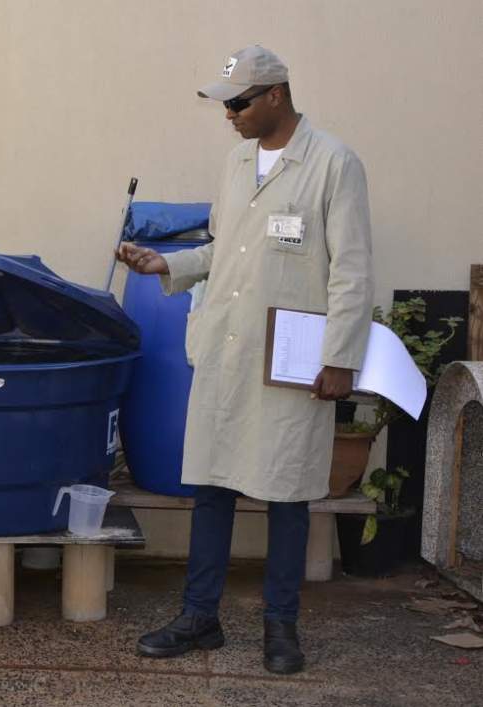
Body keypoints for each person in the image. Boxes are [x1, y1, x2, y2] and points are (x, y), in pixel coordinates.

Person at [118, 45, 373, 675]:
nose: (228, 114)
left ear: (276, 96)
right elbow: (223, 248)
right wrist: (167, 264)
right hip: (227, 352)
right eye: (224, 104)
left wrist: (341, 358)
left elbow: (353, 271)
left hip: (291, 362)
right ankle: (199, 616)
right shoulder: (235, 163)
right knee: (211, 486)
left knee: (286, 492)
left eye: (237, 102)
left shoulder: (334, 165)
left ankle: (280, 624)